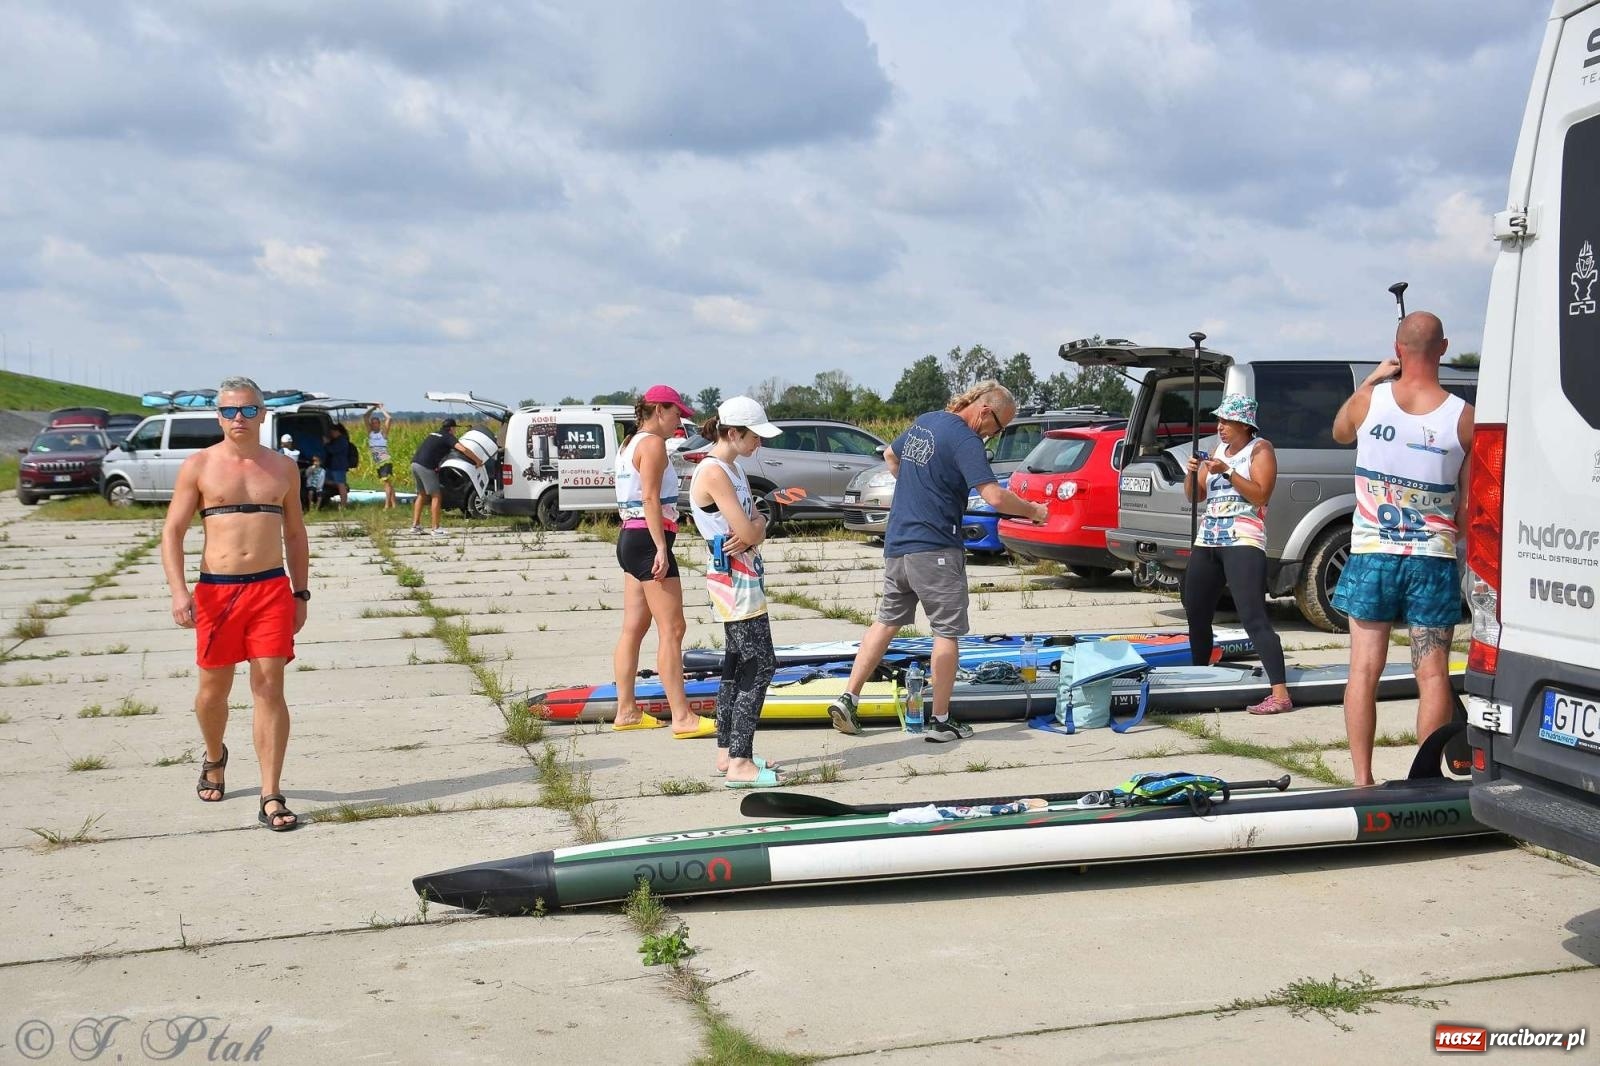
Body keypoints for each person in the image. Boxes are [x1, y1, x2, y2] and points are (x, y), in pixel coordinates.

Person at [827, 381, 1048, 742]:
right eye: (999, 426)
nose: (995, 434)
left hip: (898, 542)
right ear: (984, 411)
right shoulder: (966, 440)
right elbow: (993, 496)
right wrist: (1034, 512)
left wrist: (918, 488)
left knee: (885, 623)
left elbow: (890, 456)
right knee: (946, 632)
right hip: (936, 548)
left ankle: (849, 697)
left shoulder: (927, 421)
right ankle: (941, 721)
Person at [1331, 311, 1474, 786]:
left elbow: (1338, 432)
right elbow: (1468, 503)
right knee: (1432, 675)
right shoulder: (1463, 417)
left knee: (1364, 671)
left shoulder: (1368, 402)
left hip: (1373, 552)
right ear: (1444, 347)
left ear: (1398, 347)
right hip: (1431, 557)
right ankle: (1425, 780)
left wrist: (1373, 377)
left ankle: (1362, 778)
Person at [161, 376, 308, 832]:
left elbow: (295, 534)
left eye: (247, 410)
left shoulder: (283, 468)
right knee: (213, 694)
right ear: (218, 416)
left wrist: (300, 592)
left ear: (263, 413)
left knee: (269, 687)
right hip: (216, 592)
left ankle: (271, 793)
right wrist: (179, 590)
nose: (238, 418)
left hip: (269, 590)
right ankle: (214, 756)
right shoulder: (199, 466)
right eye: (228, 411)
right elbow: (173, 532)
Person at [687, 396, 783, 786]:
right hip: (732, 579)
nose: (759, 443)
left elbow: (755, 523)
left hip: (747, 572)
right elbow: (747, 530)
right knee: (760, 664)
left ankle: (728, 751)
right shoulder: (714, 472)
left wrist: (754, 527)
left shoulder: (735, 469)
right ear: (732, 433)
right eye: (754, 436)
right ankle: (742, 760)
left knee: (736, 663)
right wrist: (755, 528)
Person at [610, 385, 715, 738]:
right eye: (676, 415)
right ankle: (682, 717)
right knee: (673, 629)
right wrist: (660, 547)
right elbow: (651, 498)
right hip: (647, 539)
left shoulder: (629, 443)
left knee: (634, 628)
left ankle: (626, 710)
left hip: (629, 537)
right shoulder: (652, 444)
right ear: (659, 410)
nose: (679, 422)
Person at [1182, 393, 1292, 715]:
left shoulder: (1260, 449)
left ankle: (1280, 693)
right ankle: (1200, 677)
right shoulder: (1217, 451)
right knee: (1196, 612)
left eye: (1226, 422)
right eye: (1218, 421)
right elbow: (1196, 496)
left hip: (1243, 539)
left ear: (1244, 424)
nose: (1220, 427)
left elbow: (1261, 492)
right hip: (1209, 539)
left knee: (1253, 616)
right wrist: (1192, 473)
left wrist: (1229, 471)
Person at [410, 417, 461, 536]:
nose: (455, 431)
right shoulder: (448, 437)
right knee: (436, 496)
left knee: (422, 494)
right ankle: (436, 528)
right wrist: (477, 460)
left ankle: (415, 526)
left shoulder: (435, 434)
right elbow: (461, 448)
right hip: (426, 467)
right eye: (455, 429)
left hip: (415, 463)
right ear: (452, 428)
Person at [366, 406, 396, 509]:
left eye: (376, 423)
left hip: (384, 460)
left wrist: (381, 408)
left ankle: (387, 505)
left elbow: (389, 419)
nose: (374, 425)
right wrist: (373, 408)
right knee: (388, 483)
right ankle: (394, 504)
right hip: (378, 462)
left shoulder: (382, 434)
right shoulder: (370, 434)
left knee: (386, 483)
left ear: (379, 424)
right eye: (372, 423)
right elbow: (365, 417)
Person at [322, 423, 357, 510]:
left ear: (337, 431)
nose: (331, 434)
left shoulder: (341, 441)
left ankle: (343, 505)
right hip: (333, 466)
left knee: (341, 485)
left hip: (339, 466)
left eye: (332, 432)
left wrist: (326, 444)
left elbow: (332, 450)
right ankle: (340, 487)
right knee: (325, 480)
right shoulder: (337, 440)